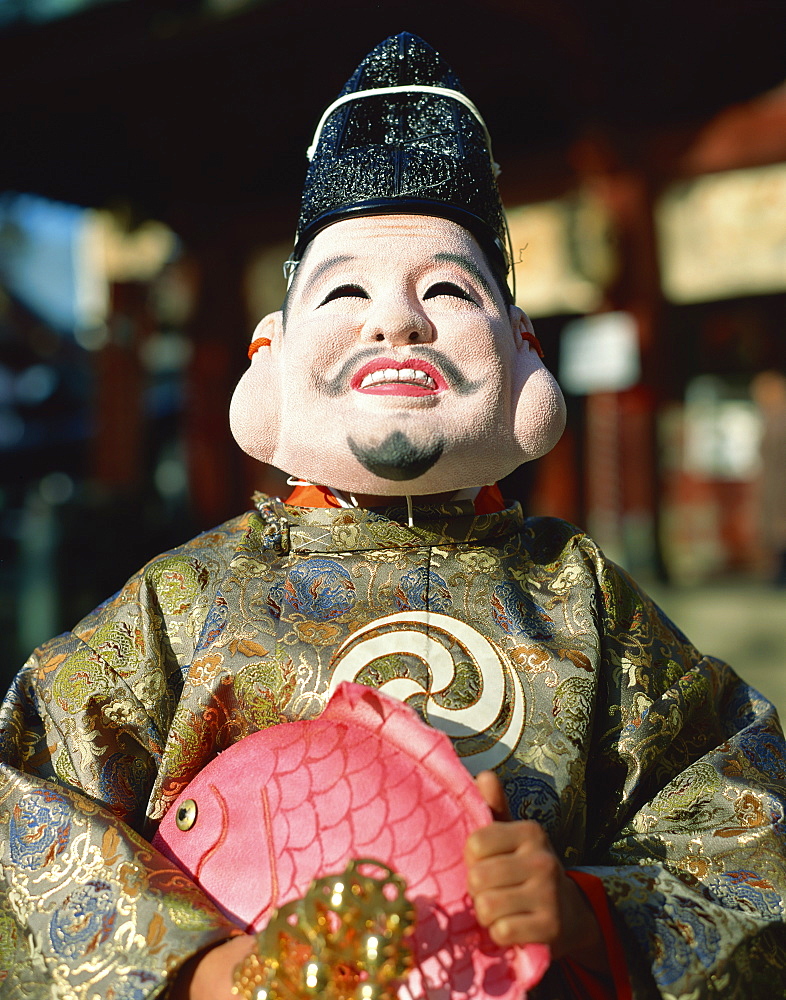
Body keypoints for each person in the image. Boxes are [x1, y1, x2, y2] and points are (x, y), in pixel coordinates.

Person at [2, 32, 786, 1000]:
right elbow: (26, 791)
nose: (397, 324)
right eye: (347, 292)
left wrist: (593, 907)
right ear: (270, 355)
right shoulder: (182, 603)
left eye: (449, 291)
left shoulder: (586, 603)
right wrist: (198, 963)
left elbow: (746, 815)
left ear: (524, 352)